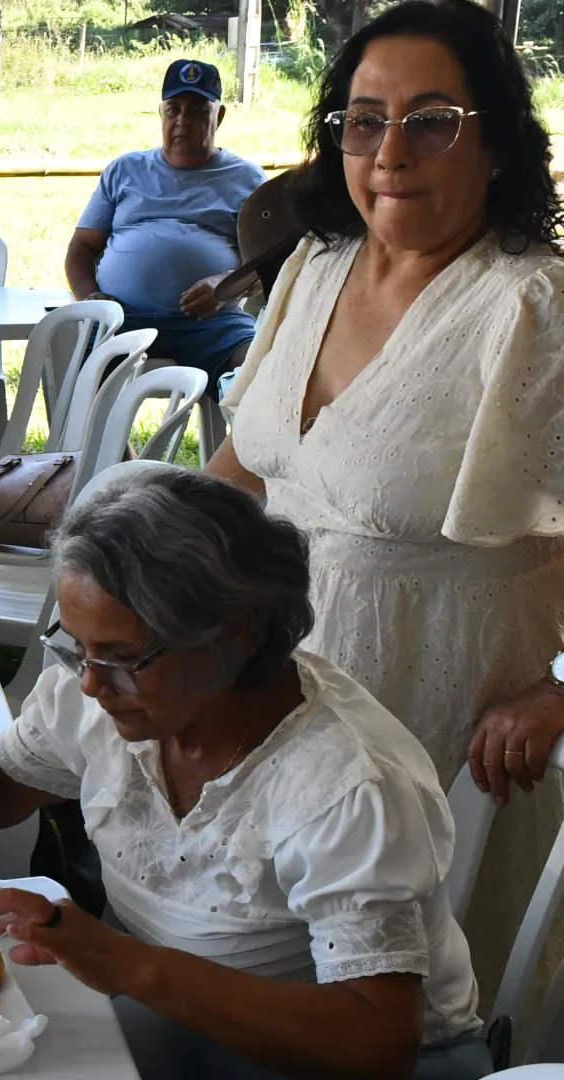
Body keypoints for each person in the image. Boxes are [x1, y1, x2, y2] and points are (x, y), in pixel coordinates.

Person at [0, 466, 491, 1080]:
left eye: (122, 657)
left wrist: (131, 967)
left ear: (236, 634)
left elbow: (377, 1041)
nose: (90, 683)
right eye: (77, 649)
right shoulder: (113, 696)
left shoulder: (346, 787)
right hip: (178, 1014)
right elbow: (6, 774)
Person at [208, 0, 564, 1008]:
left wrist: (558, 694)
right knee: (245, 999)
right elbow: (248, 465)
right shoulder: (316, 266)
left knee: (390, 1017)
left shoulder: (530, 306)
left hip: (437, 740)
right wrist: (140, 574)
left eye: (432, 121)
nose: (392, 154)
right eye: (365, 121)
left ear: (497, 144)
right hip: (272, 711)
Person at [66, 59, 266, 391]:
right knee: (64, 356)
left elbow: (265, 266)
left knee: (263, 368)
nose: (182, 120)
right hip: (123, 318)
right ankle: (105, 432)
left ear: (219, 115)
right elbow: (82, 247)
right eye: (174, 109)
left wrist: (225, 285)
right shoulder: (125, 170)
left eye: (197, 110)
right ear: (161, 113)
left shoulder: (248, 179)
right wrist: (91, 298)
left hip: (213, 322)